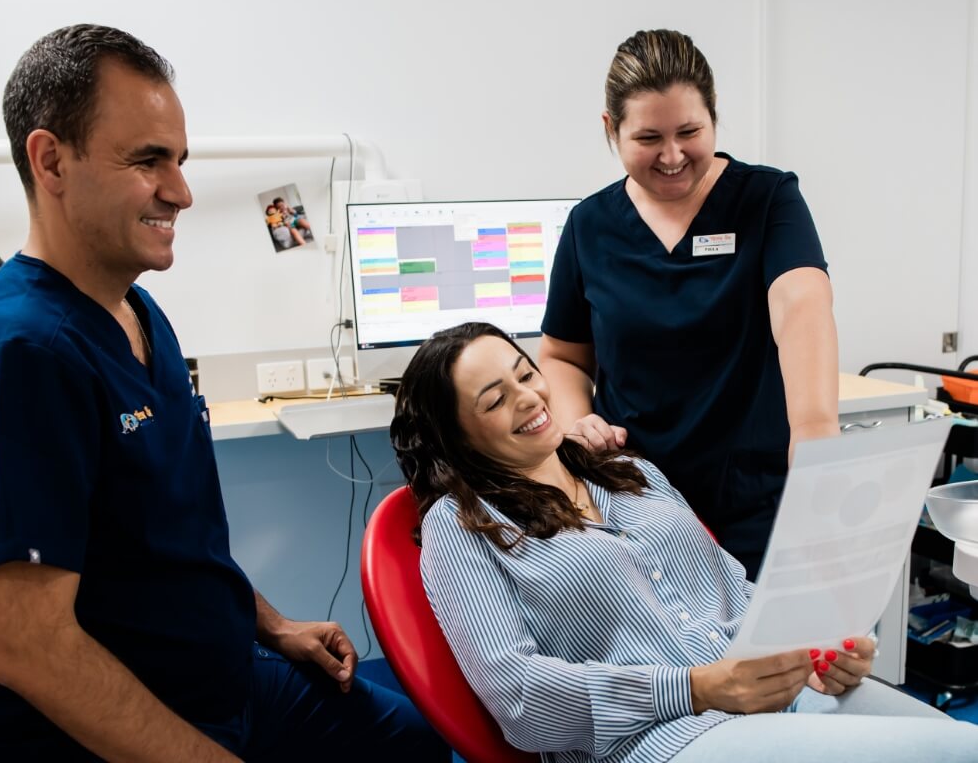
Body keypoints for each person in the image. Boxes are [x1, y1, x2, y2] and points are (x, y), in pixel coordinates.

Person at [0, 24, 447, 763]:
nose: (182, 191)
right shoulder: (18, 357)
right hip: (98, 732)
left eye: (181, 160)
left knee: (409, 746)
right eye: (147, 161)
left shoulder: (136, 311)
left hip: (221, 681)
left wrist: (271, 624)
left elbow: (171, 542)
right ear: (50, 161)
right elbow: (31, 651)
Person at [390, 321, 978, 763]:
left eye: (525, 373)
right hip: (663, 740)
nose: (527, 398)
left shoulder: (628, 471)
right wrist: (696, 688)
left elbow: (735, 589)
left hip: (772, 695)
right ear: (457, 435)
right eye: (494, 400)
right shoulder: (461, 528)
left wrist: (822, 647)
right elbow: (518, 697)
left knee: (963, 745)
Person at [539, 29, 839, 579]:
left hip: (753, 496)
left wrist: (815, 436)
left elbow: (802, 307)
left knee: (768, 657)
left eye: (690, 131)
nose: (673, 156)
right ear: (611, 129)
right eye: (649, 137)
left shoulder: (766, 199)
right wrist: (577, 423)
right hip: (633, 503)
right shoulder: (591, 226)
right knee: (674, 662)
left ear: (714, 116)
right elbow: (562, 355)